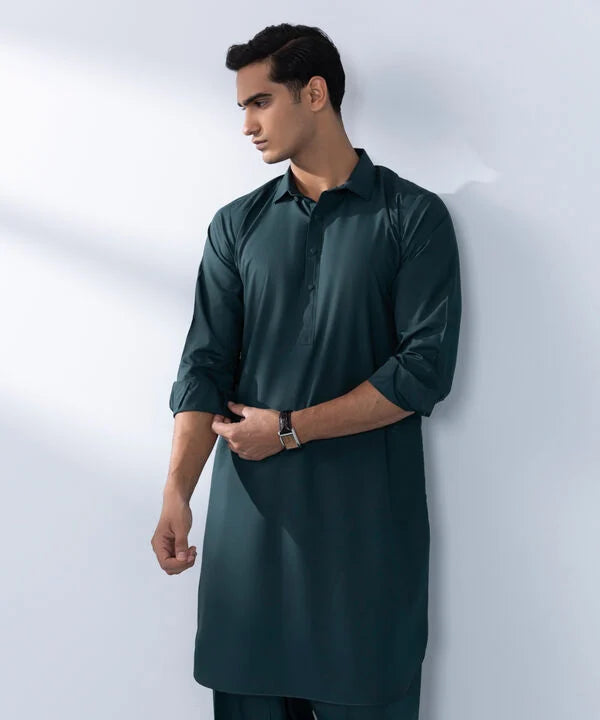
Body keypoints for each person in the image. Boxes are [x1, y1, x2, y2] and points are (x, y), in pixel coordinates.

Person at [151, 22, 462, 720]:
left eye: (260, 102)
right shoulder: (236, 226)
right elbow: (203, 366)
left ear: (314, 93)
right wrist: (177, 491)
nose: (247, 125)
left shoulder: (411, 218)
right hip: (248, 559)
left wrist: (289, 429)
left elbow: (423, 371)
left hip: (364, 559)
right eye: (242, 108)